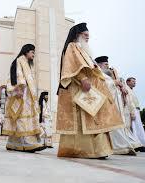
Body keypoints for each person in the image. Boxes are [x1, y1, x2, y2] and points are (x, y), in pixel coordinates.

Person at [56, 23, 124, 159]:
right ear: (77, 35)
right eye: (85, 35)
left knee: (94, 118)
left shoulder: (82, 49)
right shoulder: (72, 46)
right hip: (79, 88)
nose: (88, 38)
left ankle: (99, 149)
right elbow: (72, 66)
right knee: (85, 119)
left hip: (90, 88)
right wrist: (83, 79)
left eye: (88, 36)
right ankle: (86, 150)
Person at [2, 44, 46, 153]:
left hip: (28, 96)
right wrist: (19, 88)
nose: (33, 54)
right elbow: (17, 75)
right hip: (21, 94)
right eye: (32, 52)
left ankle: (12, 143)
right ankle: (27, 143)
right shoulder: (19, 60)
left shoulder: (27, 64)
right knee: (21, 119)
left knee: (21, 120)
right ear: (26, 52)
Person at [96, 56, 141, 155]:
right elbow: (100, 84)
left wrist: (119, 86)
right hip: (105, 105)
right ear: (99, 65)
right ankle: (119, 147)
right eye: (105, 64)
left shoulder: (109, 74)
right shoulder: (98, 72)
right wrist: (114, 83)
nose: (108, 66)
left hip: (115, 105)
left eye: (108, 64)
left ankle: (123, 145)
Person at [126, 77, 145, 152]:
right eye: (133, 81)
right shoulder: (126, 89)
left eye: (135, 82)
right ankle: (136, 145)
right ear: (128, 82)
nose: (134, 83)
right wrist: (131, 112)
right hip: (132, 110)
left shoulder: (131, 90)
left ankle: (141, 144)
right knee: (134, 128)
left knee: (138, 128)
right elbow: (129, 101)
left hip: (136, 110)